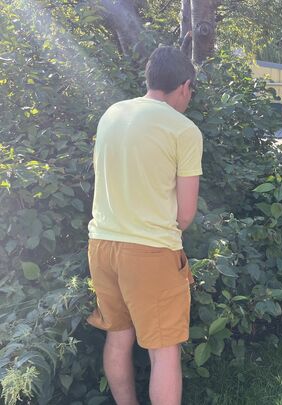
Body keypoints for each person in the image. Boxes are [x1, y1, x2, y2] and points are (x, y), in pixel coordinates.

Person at [87, 46, 203, 405]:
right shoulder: (183, 130)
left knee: (118, 337)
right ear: (184, 86)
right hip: (151, 252)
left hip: (102, 245)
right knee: (164, 350)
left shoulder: (112, 114)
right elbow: (185, 214)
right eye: (191, 91)